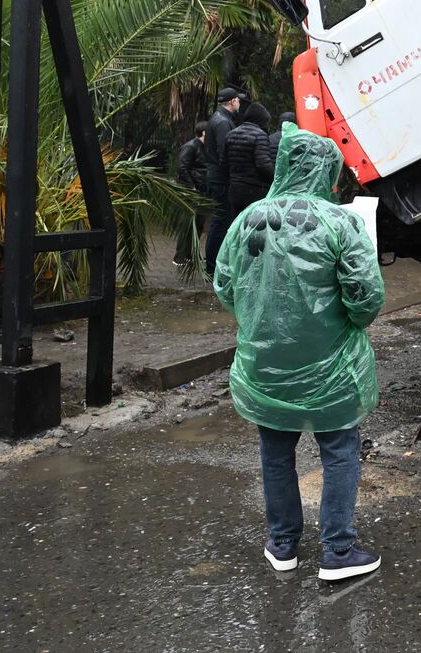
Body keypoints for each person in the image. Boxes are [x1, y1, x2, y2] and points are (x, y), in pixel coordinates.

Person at [214, 124, 386, 581]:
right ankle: (337, 549)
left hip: (266, 365)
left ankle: (283, 544)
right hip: (331, 366)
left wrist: (261, 321)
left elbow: (226, 286)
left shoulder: (248, 217)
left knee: (275, 451)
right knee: (340, 449)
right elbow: (366, 297)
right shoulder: (340, 222)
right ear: (328, 170)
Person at [203, 87, 244, 276]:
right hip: (221, 178)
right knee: (220, 222)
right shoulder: (222, 122)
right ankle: (212, 267)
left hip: (217, 176)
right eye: (238, 100)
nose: (240, 104)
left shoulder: (220, 119)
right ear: (232, 101)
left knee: (220, 221)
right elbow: (224, 152)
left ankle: (212, 265)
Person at [223, 101, 274, 215]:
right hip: (254, 189)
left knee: (237, 223)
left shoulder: (230, 134)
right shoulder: (260, 135)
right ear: (261, 120)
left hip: (234, 188)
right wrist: (276, 180)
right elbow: (263, 164)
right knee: (253, 225)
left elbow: (224, 162)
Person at [173, 121, 209, 266]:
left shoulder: (203, 147)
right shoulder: (191, 147)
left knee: (199, 223)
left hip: (201, 190)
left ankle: (191, 254)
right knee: (187, 223)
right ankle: (180, 256)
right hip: (191, 191)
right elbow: (182, 168)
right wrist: (192, 187)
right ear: (205, 132)